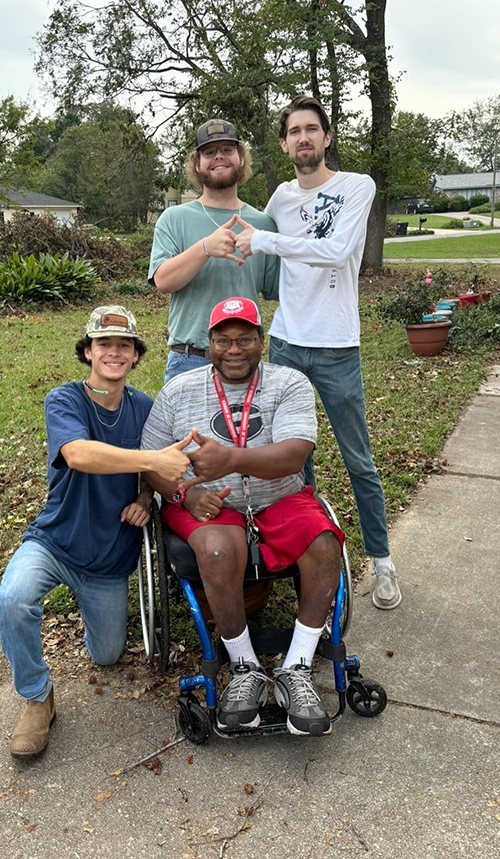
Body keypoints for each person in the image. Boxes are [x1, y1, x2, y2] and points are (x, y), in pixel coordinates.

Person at [0, 306, 194, 759]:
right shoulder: (63, 400)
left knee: (106, 654)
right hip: (55, 541)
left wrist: (145, 499)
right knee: (13, 599)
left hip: (108, 557)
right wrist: (150, 461)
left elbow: (158, 472)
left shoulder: (145, 407)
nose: (114, 352)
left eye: (124, 345)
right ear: (88, 351)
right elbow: (81, 454)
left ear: (136, 355)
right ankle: (36, 697)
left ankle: (92, 611)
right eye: (104, 344)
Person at [140, 297, 345, 736]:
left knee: (325, 545)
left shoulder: (289, 383)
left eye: (245, 340)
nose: (235, 350)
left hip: (279, 497)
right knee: (215, 550)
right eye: (224, 340)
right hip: (207, 504)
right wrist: (183, 496)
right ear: (209, 343)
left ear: (260, 341)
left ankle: (298, 666)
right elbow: (151, 460)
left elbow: (295, 456)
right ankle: (245, 667)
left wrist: (231, 458)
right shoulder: (178, 391)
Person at [233, 94, 401, 611]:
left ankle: (383, 563)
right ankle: (304, 554)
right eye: (294, 132)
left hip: (335, 348)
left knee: (359, 460)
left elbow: (336, 252)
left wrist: (266, 242)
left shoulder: (356, 187)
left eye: (312, 129)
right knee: (291, 462)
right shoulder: (281, 198)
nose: (303, 138)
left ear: (327, 138)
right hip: (285, 342)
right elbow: (243, 227)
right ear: (284, 145)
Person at [149, 118, 280, 382]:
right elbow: (162, 281)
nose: (219, 157)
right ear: (197, 164)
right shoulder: (173, 218)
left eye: (227, 150)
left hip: (244, 361)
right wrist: (205, 248)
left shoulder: (263, 224)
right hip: (189, 360)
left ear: (241, 158)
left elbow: (278, 291)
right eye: (209, 152)